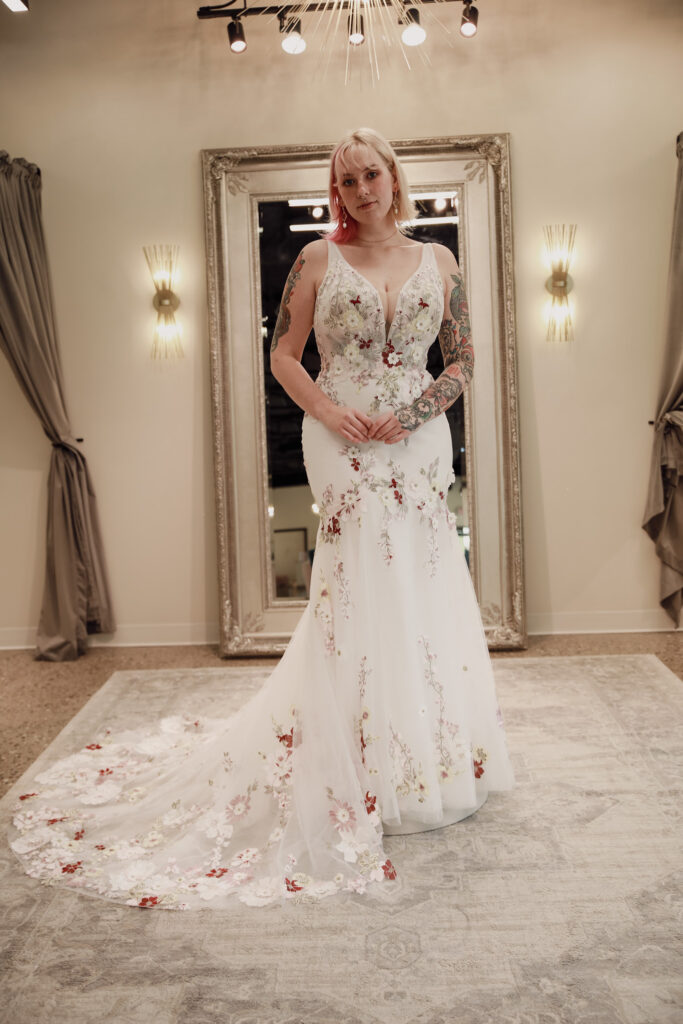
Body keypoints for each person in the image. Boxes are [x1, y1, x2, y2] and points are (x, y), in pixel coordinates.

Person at [7, 128, 514, 910]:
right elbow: (284, 353)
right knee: (354, 590)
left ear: (392, 176)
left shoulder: (439, 262)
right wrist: (332, 410)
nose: (359, 190)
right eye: (345, 181)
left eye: (370, 175)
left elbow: (463, 360)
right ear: (336, 191)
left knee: (422, 585)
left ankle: (424, 761)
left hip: (415, 443)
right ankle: (350, 758)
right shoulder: (316, 260)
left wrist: (414, 411)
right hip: (338, 437)